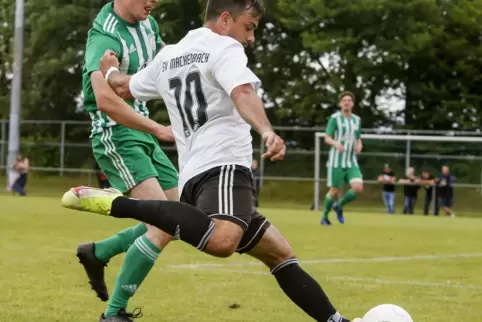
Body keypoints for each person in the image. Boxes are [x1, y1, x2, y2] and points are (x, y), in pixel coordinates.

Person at [62, 1, 360, 321]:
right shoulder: (224, 48)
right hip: (226, 166)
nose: (250, 38)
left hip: (195, 175)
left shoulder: (170, 55)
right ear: (226, 19)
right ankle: (119, 206)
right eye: (249, 27)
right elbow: (242, 92)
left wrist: (109, 69)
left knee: (279, 252)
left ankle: (337, 321)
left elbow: (122, 86)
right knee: (222, 241)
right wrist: (267, 131)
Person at [79, 0, 181, 320]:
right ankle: (113, 314)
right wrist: (160, 130)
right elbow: (105, 100)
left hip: (144, 135)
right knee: (163, 223)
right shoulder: (105, 38)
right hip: (117, 137)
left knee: (180, 221)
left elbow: (167, 59)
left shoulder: (148, 24)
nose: (154, 2)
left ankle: (99, 252)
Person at [321, 92, 363, 226]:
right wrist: (336, 143)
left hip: (351, 160)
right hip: (336, 160)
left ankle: (339, 206)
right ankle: (324, 217)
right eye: (344, 100)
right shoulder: (335, 118)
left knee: (357, 187)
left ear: (353, 104)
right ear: (340, 103)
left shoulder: (357, 120)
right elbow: (327, 137)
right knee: (334, 191)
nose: (346, 102)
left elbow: (358, 137)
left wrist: (359, 145)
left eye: (349, 100)